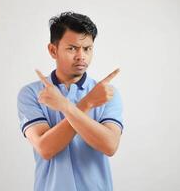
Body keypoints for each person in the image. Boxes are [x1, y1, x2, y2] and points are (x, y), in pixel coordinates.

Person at [17, 11, 124, 191]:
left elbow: (110, 145)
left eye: (87, 48)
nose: (81, 56)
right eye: (72, 48)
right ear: (53, 50)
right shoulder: (31, 93)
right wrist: (87, 103)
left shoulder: (106, 93)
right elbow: (45, 149)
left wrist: (66, 106)